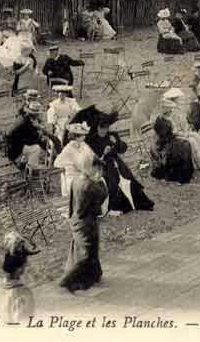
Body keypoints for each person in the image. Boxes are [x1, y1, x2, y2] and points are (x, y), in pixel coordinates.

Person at [85, 113, 154, 214]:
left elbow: (123, 149)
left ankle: (137, 203)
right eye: (101, 128)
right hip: (103, 165)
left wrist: (117, 143)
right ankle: (118, 206)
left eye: (106, 128)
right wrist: (103, 153)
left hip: (116, 162)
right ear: (97, 127)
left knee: (129, 178)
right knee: (112, 183)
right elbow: (92, 159)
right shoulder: (92, 140)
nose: (104, 131)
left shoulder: (112, 135)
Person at [59, 158, 108, 293]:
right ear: (92, 168)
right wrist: (100, 181)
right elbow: (103, 195)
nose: (100, 172)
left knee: (82, 250)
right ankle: (68, 280)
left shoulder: (76, 180)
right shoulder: (90, 185)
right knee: (87, 253)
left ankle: (95, 274)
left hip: (76, 219)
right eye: (98, 169)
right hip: (87, 223)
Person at [155, 89, 200, 170]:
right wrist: (183, 133)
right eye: (178, 99)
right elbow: (172, 131)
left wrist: (186, 130)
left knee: (197, 137)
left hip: (180, 132)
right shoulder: (165, 118)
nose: (170, 110)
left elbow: (181, 125)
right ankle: (199, 164)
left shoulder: (175, 113)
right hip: (174, 136)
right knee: (192, 141)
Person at [0, 251, 36, 323]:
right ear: (19, 269)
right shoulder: (24, 293)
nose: (25, 267)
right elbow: (24, 320)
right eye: (24, 265)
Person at [54, 122, 97, 198]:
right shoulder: (69, 148)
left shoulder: (83, 145)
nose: (84, 137)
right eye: (82, 135)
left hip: (82, 174)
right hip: (72, 177)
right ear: (76, 137)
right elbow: (57, 163)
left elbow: (91, 155)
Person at [149, 116, 194, 184]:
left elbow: (161, 166)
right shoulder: (184, 142)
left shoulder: (161, 146)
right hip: (187, 176)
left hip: (173, 177)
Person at [6, 102, 48, 167]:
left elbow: (27, 133)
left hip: (11, 143)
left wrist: (36, 128)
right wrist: (40, 130)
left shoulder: (22, 116)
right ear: (34, 114)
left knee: (29, 144)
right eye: (37, 114)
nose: (38, 116)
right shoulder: (27, 123)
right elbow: (34, 138)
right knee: (36, 148)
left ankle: (23, 162)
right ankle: (32, 166)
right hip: (15, 148)